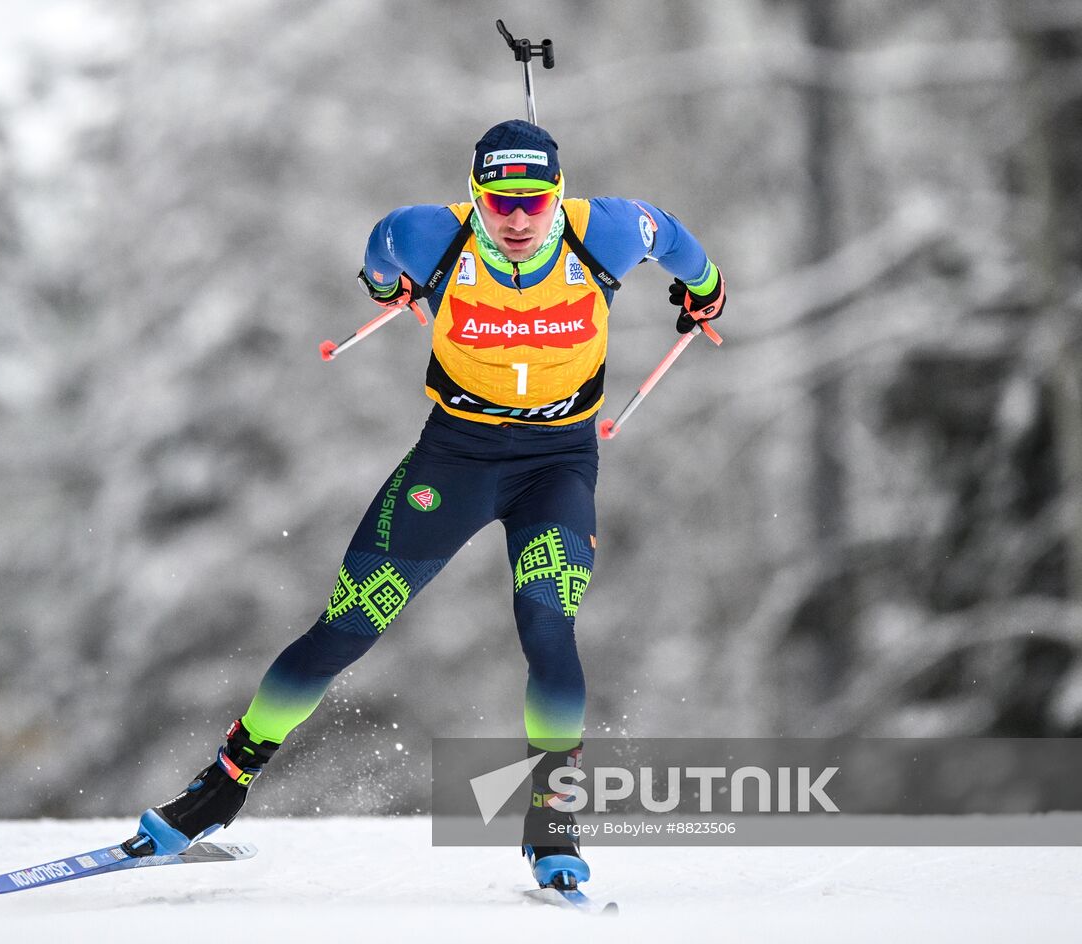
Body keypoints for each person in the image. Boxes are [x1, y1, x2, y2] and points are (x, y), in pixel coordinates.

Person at [126, 119, 725, 890]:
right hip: (457, 457)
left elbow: (675, 238)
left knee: (548, 622)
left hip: (557, 464)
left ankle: (552, 819)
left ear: (559, 196)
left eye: (534, 202)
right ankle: (221, 786)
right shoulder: (424, 236)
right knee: (347, 626)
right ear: (474, 196)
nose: (517, 219)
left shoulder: (604, 232)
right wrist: (390, 288)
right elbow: (377, 260)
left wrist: (704, 291)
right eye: (500, 201)